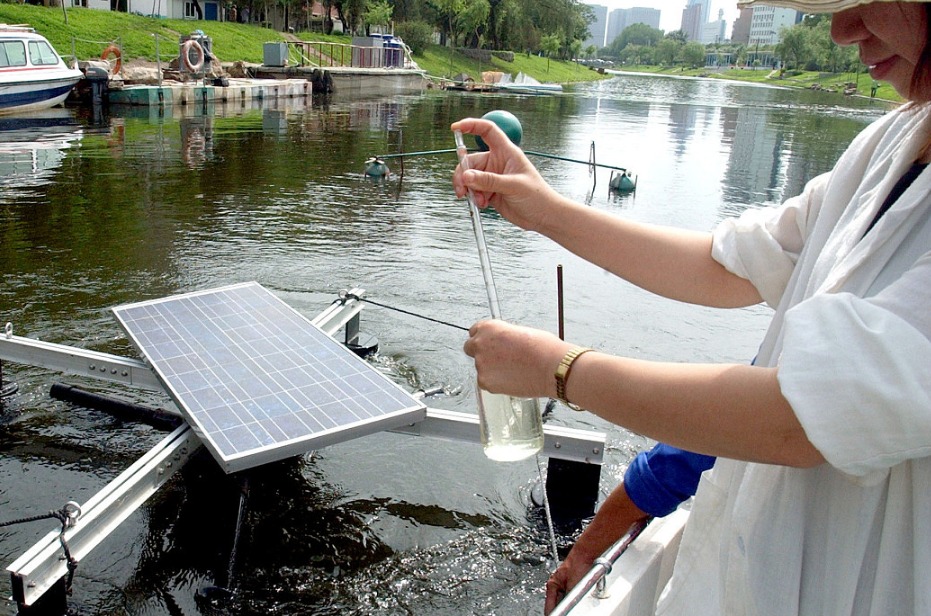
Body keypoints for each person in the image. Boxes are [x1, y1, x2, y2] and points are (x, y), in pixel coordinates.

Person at [452, 0, 931, 613]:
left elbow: (802, 420)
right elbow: (724, 265)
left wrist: (562, 369)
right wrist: (545, 210)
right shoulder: (888, 141)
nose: (841, 29)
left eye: (865, 1)